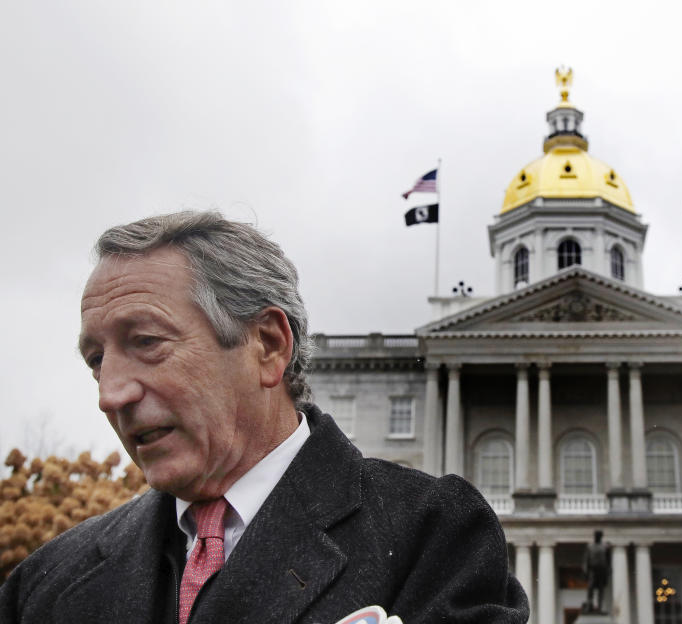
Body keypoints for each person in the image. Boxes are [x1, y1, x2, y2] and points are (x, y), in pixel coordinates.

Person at [0, 211, 528, 624]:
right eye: (96, 360)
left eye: (146, 342)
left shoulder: (434, 535)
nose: (110, 394)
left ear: (268, 346)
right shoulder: (44, 582)